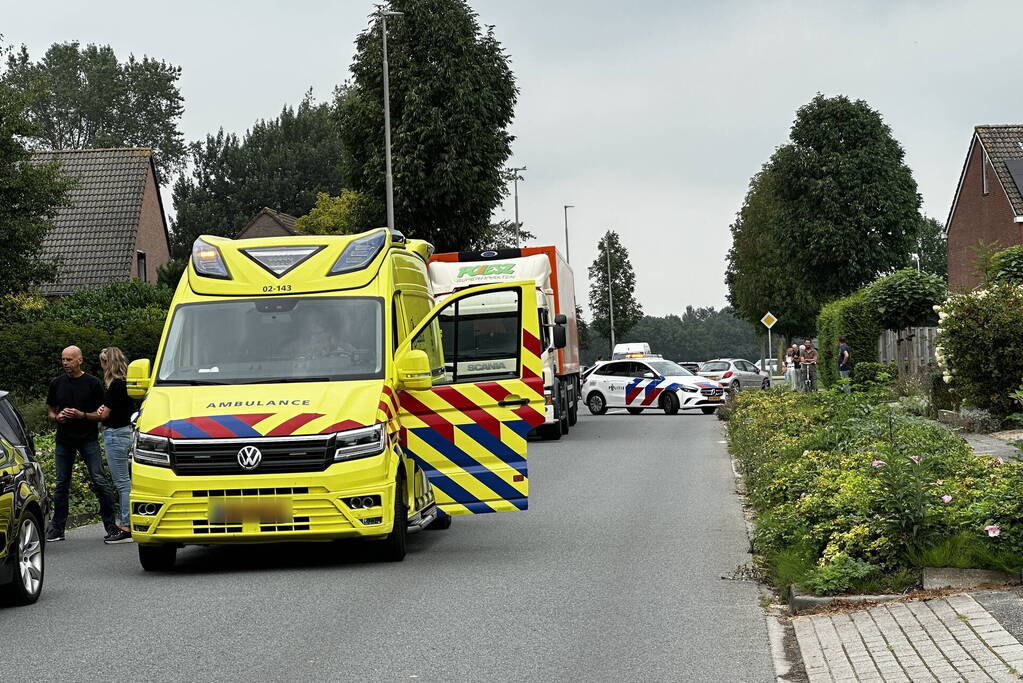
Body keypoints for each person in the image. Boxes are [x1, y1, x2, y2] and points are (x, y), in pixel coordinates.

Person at [46, 346, 119, 542]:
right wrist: (58, 417)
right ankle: (57, 528)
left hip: (88, 438)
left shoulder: (93, 383)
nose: (65, 363)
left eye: (69, 359)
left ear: (80, 361)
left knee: (99, 480)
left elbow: (101, 415)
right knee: (61, 483)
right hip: (64, 439)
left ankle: (111, 525)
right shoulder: (56, 383)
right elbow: (50, 412)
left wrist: (81, 415)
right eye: (63, 359)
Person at [97, 347, 134, 544]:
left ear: (107, 364)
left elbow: (105, 414)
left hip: (115, 434)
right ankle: (129, 522)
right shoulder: (127, 383)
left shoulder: (115, 386)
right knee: (127, 480)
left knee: (122, 482)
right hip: (126, 431)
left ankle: (126, 525)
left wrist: (100, 411)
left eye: (103, 363)